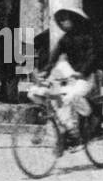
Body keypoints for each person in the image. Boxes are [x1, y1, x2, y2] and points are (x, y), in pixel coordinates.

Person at [38, 8, 98, 140]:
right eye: (61, 21)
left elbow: (92, 56)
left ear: (74, 20)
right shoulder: (65, 39)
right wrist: (46, 70)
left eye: (66, 19)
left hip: (86, 77)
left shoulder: (89, 37)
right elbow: (54, 56)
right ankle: (68, 129)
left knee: (71, 97)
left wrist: (82, 72)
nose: (63, 23)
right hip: (72, 76)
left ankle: (90, 115)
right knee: (56, 97)